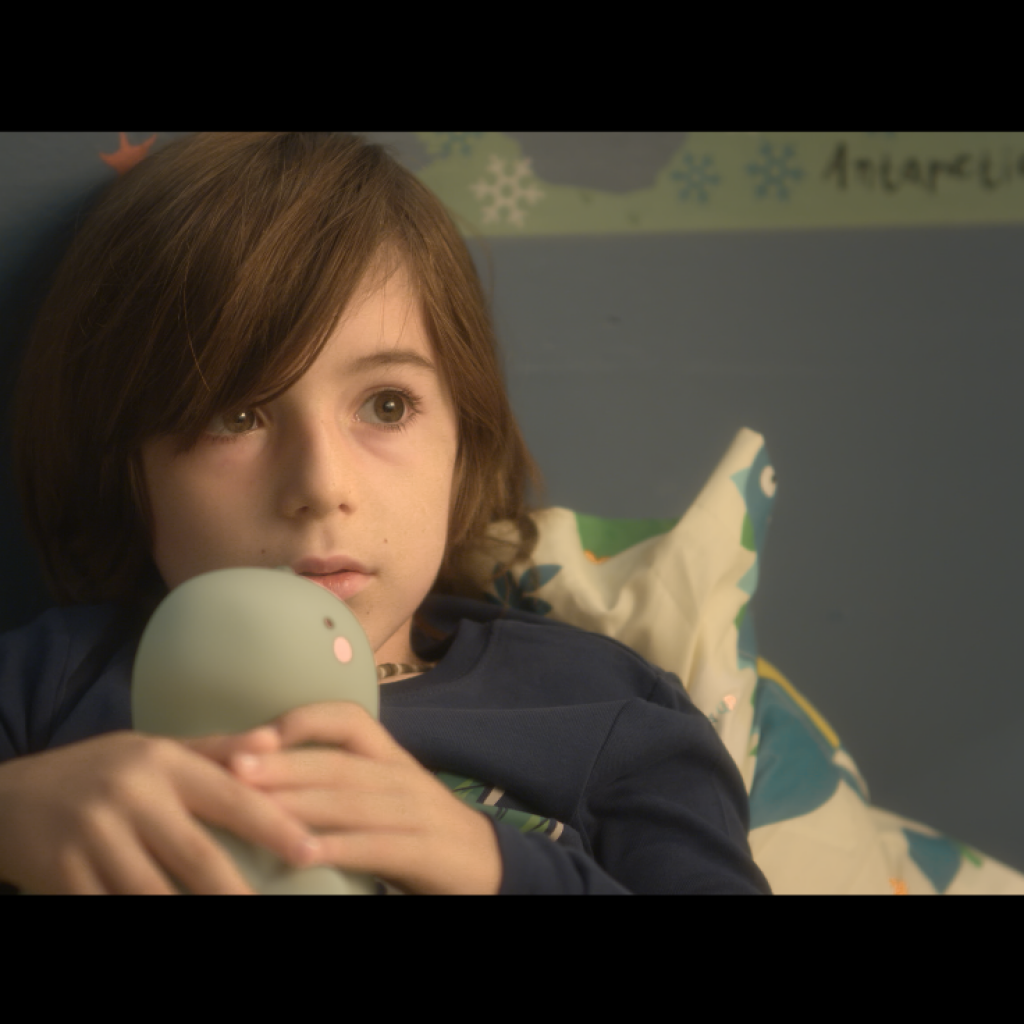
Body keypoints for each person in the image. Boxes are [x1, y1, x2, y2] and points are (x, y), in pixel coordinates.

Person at [0, 132, 771, 894]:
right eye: (235, 416)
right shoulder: (47, 687)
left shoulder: (606, 708)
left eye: (387, 405)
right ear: (130, 466)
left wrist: (493, 864)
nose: (322, 484)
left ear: (463, 439)